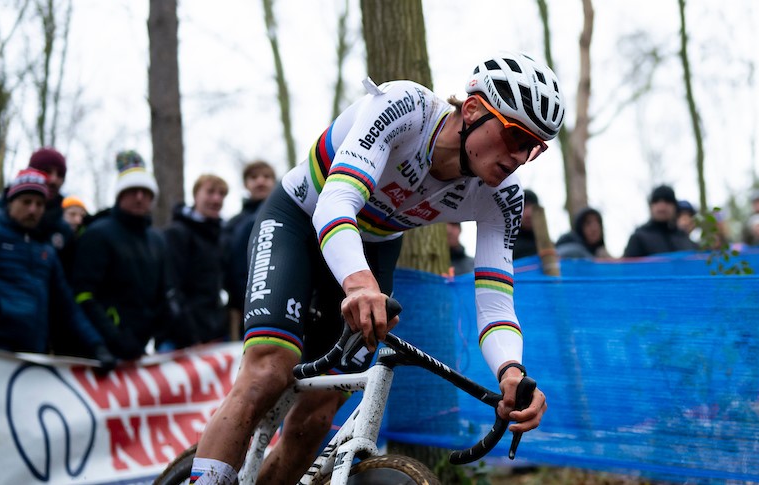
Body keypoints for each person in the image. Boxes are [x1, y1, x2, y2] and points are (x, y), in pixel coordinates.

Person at [189, 52, 559, 484]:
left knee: (322, 407)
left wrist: (511, 371)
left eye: (535, 147)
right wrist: (359, 282)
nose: (520, 156)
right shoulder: (405, 108)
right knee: (269, 368)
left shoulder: (503, 195)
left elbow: (495, 303)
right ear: (473, 110)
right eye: (516, 136)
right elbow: (335, 204)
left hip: (373, 248)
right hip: (301, 220)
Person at [0, 170, 115, 368]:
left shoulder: (46, 251)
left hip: (34, 353)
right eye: (26, 202)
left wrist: (97, 346)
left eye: (39, 204)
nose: (33, 209)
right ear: (11, 202)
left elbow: (67, 304)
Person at [72, 151, 176, 360]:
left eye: (145, 192)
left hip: (144, 351)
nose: (139, 197)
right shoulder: (97, 234)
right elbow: (83, 295)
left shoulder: (157, 240)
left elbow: (163, 294)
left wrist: (164, 333)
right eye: (132, 191)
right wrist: (114, 338)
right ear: (120, 195)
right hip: (101, 354)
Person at [160, 174, 229, 350]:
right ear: (195, 194)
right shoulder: (177, 233)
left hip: (214, 337)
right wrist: (192, 337)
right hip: (180, 341)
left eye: (221, 194)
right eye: (210, 192)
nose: (216, 199)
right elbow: (172, 288)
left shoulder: (220, 236)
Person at [222, 160, 277, 337]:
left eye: (266, 177)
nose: (260, 181)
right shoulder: (233, 224)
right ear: (246, 184)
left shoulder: (294, 219)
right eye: (254, 177)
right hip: (244, 312)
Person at [622, 185, 697, 258]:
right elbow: (628, 268)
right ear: (651, 206)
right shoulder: (639, 238)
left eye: (667, 201)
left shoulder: (683, 238)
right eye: (656, 201)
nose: (662, 207)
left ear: (675, 207)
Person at [512, 189, 540, 260]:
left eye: (533, 208)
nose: (529, 214)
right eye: (523, 207)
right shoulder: (505, 246)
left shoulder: (548, 246)